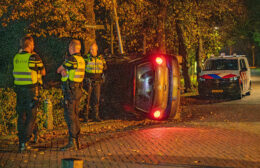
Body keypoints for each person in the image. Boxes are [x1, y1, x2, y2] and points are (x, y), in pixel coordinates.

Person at [13, 35, 45, 152]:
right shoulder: (33, 57)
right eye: (33, 44)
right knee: (31, 116)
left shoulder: (16, 57)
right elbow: (43, 71)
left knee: (22, 116)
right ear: (30, 45)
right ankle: (25, 142)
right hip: (31, 91)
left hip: (19, 90)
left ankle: (21, 142)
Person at [57, 39, 85, 151]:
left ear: (72, 48)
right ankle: (76, 140)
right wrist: (65, 73)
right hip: (77, 89)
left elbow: (58, 69)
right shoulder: (81, 59)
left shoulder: (72, 59)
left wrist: (63, 71)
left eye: (69, 48)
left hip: (71, 91)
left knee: (70, 116)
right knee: (75, 115)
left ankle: (72, 142)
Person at [84, 42, 107, 122]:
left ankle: (95, 116)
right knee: (87, 100)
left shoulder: (101, 59)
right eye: (91, 49)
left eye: (94, 49)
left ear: (97, 49)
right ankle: (85, 117)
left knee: (96, 100)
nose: (92, 51)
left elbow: (105, 68)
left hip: (97, 81)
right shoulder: (86, 58)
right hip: (89, 81)